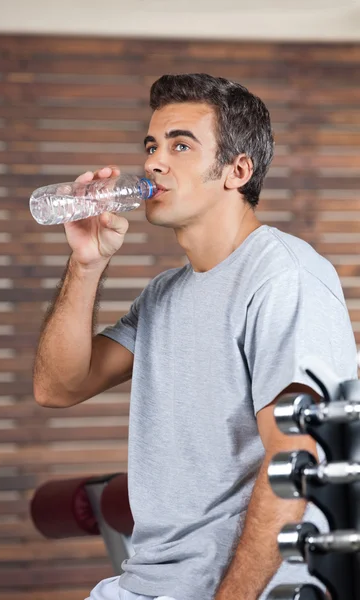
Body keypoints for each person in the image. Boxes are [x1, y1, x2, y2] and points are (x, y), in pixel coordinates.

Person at [33, 74, 358, 600]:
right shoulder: (165, 294)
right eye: (152, 145)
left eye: (180, 145)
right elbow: (58, 386)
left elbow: (298, 456)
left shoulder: (284, 277)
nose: (155, 162)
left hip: (239, 588)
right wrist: (86, 263)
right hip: (146, 583)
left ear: (237, 170)